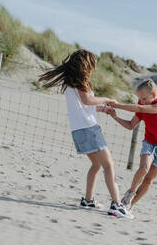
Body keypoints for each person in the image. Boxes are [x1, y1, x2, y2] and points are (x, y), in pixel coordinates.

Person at [38, 49, 133, 218]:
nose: (93, 70)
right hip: (89, 129)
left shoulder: (70, 83)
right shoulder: (80, 82)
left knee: (96, 165)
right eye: (92, 66)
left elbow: (83, 106)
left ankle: (88, 200)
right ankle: (117, 205)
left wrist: (102, 109)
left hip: (78, 130)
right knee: (109, 165)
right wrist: (107, 99)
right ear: (86, 66)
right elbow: (87, 100)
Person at [107, 79, 157, 210]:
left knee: (149, 179)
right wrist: (114, 116)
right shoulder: (142, 106)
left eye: (144, 98)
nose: (141, 101)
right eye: (139, 98)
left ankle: (128, 206)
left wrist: (117, 105)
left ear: (154, 95)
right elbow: (131, 125)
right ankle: (129, 194)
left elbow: (140, 107)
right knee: (144, 168)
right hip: (149, 143)